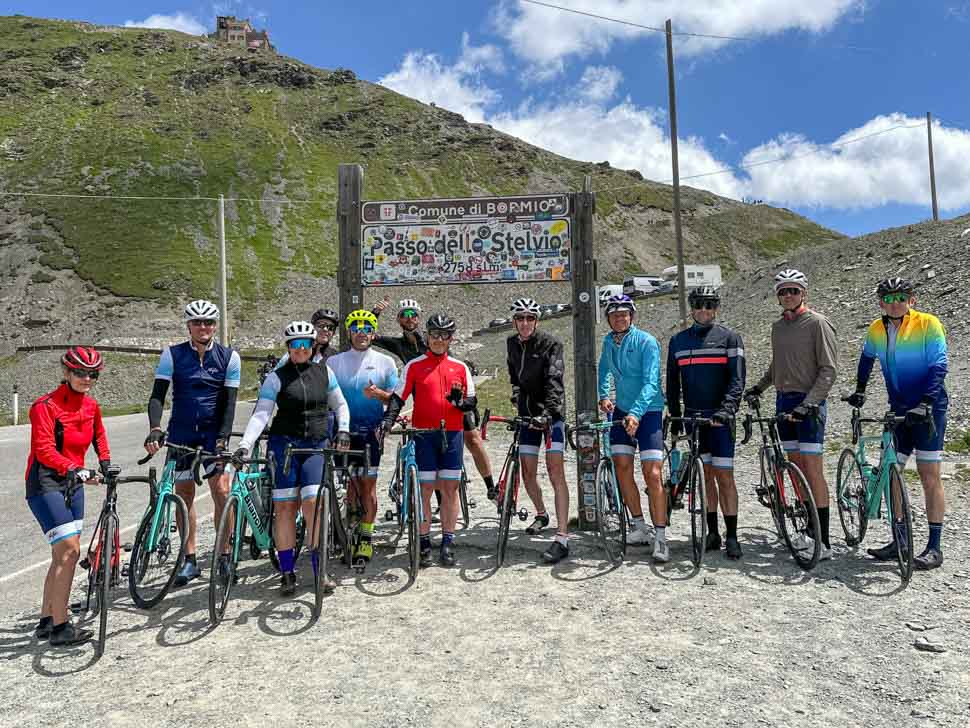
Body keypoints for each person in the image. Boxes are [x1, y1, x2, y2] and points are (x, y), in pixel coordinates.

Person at [235, 322, 351, 594]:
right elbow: (262, 413)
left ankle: (318, 568)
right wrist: (244, 445)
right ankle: (287, 572)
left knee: (312, 503)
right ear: (288, 348)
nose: (300, 350)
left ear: (312, 346)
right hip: (284, 445)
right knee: (285, 508)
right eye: (294, 345)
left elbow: (340, 404)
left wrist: (343, 430)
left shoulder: (325, 372)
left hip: (315, 444)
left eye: (305, 345)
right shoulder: (276, 377)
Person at [846, 277, 948, 570]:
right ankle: (900, 540)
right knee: (892, 472)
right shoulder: (877, 329)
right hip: (899, 408)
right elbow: (866, 359)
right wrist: (860, 390)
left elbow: (939, 365)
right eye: (889, 298)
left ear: (911, 299)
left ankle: (934, 547)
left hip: (930, 408)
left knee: (930, 475)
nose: (895, 302)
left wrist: (927, 402)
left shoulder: (928, 324)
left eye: (901, 297)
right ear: (881, 302)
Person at [144, 300, 241, 586]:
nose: (203, 327)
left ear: (215, 326)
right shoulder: (171, 355)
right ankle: (188, 559)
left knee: (221, 491)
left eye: (209, 322)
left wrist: (223, 438)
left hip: (212, 435)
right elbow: (157, 395)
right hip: (181, 434)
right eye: (197, 322)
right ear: (188, 325)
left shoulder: (229, 357)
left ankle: (224, 556)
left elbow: (230, 403)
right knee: (183, 494)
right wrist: (155, 428)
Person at [745, 269, 838, 561]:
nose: (788, 295)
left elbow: (828, 370)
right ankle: (808, 530)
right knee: (795, 470)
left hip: (808, 404)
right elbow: (778, 364)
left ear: (803, 293)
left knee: (812, 470)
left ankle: (823, 541)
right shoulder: (778, 327)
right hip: (784, 402)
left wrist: (810, 403)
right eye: (783, 291)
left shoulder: (818, 323)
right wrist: (759, 388)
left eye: (793, 290)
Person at [373, 296, 496, 513]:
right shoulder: (398, 344)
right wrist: (375, 312)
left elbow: (453, 362)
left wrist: (466, 400)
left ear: (419, 318)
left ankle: (491, 487)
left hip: (453, 400)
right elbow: (370, 337)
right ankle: (440, 503)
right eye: (404, 315)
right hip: (425, 404)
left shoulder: (430, 336)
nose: (409, 318)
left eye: (413, 314)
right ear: (399, 319)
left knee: (474, 439)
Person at [25, 347, 111, 646]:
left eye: (93, 374)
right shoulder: (44, 406)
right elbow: (44, 450)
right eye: (80, 372)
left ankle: (47, 619)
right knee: (71, 552)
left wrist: (105, 463)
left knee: (61, 555)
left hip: (74, 484)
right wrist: (75, 468)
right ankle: (61, 628)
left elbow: (99, 436)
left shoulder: (91, 406)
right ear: (66, 372)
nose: (86, 378)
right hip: (45, 483)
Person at [382, 314, 476, 568]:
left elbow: (471, 402)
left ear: (450, 338)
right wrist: (387, 422)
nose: (438, 339)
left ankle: (447, 541)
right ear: (427, 336)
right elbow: (398, 398)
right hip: (424, 434)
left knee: (449, 490)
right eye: (434, 334)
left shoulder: (460, 367)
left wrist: (460, 403)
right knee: (425, 489)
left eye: (444, 335)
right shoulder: (414, 365)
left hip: (452, 435)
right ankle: (423, 541)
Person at [666, 287, 746, 560]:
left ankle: (733, 535)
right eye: (699, 305)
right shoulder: (677, 341)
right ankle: (713, 532)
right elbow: (672, 383)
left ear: (717, 308)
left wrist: (727, 410)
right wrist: (675, 419)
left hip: (720, 419)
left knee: (725, 476)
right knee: (707, 476)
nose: (704, 310)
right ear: (691, 308)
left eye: (710, 305)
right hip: (693, 418)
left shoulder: (730, 338)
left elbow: (737, 381)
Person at [597, 294, 669, 562]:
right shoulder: (608, 342)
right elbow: (604, 369)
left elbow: (652, 383)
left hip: (648, 411)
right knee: (622, 467)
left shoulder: (647, 342)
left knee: (652, 472)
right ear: (608, 319)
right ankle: (640, 527)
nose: (620, 318)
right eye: (615, 314)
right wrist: (604, 396)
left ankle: (661, 537)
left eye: (625, 314)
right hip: (622, 410)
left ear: (632, 316)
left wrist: (636, 414)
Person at [327, 310, 398, 570]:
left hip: (370, 430)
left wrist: (378, 393)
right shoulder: (334, 362)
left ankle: (366, 536)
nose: (361, 331)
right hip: (343, 431)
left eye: (367, 327)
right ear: (349, 331)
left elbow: (396, 399)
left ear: (374, 332)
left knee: (367, 486)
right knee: (350, 485)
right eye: (356, 326)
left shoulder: (385, 362)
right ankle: (347, 531)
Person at [506, 297, 571, 564]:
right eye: (520, 318)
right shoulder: (511, 343)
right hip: (527, 414)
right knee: (528, 470)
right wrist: (515, 395)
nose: (524, 323)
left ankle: (563, 537)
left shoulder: (551, 344)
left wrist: (547, 414)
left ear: (537, 320)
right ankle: (542, 513)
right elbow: (514, 374)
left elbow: (555, 381)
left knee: (555, 470)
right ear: (514, 321)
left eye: (529, 318)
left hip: (552, 415)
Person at [275, 308, 340, 368]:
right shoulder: (297, 351)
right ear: (312, 327)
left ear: (333, 333)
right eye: (321, 325)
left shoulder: (336, 358)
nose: (325, 329)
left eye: (330, 327)